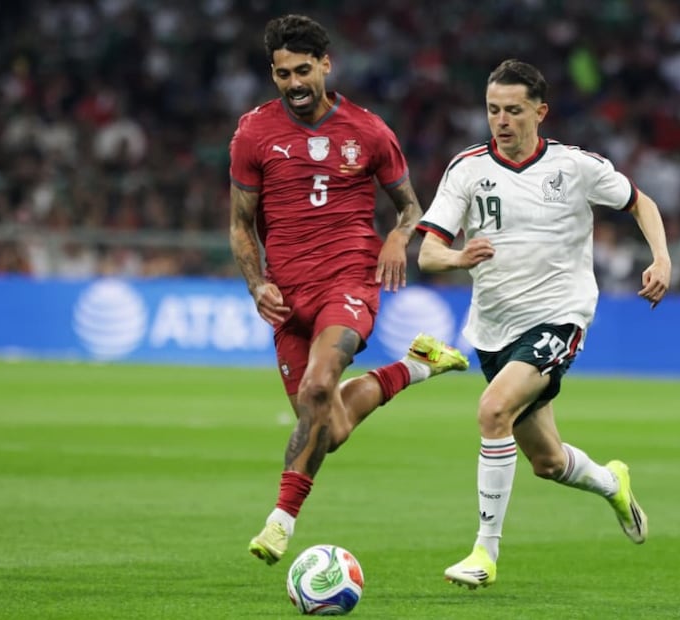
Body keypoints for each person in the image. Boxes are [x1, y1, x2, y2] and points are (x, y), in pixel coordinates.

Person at [416, 59, 671, 588]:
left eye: (513, 110)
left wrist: (661, 258)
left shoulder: (575, 167)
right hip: (492, 329)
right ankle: (612, 483)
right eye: (492, 110)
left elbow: (639, 202)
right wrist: (459, 258)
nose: (501, 121)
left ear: (540, 111)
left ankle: (484, 554)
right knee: (549, 463)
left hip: (560, 316)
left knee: (492, 411)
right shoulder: (466, 169)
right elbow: (429, 255)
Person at [229, 14, 469, 566]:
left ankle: (279, 522)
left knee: (318, 387)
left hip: (349, 279)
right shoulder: (253, 133)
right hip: (287, 297)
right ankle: (414, 367)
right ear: (273, 72)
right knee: (327, 426)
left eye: (304, 70)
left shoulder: (369, 131)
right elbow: (241, 223)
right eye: (283, 73)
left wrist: (397, 239)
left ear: (326, 66)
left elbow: (410, 205)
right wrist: (256, 282)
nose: (294, 83)